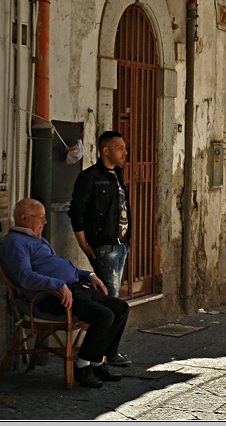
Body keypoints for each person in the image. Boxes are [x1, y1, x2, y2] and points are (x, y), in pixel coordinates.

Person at [0, 198, 129, 388]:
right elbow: (24, 277)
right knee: (103, 315)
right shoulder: (15, 242)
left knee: (120, 308)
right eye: (41, 217)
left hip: (71, 287)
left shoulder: (35, 238)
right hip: (50, 296)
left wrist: (88, 275)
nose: (45, 222)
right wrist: (58, 285)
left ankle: (98, 361)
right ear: (24, 218)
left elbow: (58, 266)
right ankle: (83, 365)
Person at [69, 130, 132, 367]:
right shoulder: (90, 177)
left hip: (120, 245)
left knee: (113, 300)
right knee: (111, 301)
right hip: (103, 247)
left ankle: (104, 352)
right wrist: (83, 243)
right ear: (105, 150)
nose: (125, 152)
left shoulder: (117, 175)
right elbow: (77, 210)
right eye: (119, 148)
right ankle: (104, 355)